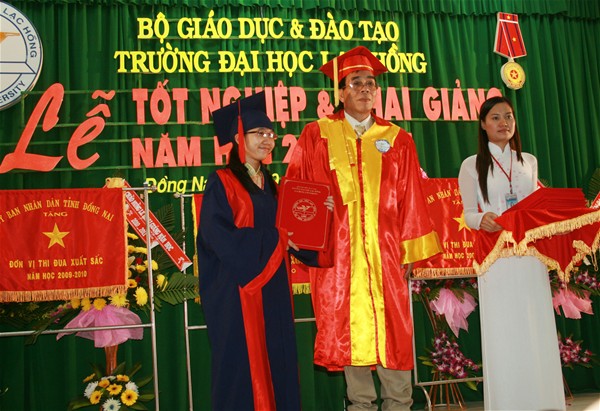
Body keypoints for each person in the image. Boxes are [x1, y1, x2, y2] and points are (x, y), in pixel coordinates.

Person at [285, 46, 442, 411]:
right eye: (356, 83)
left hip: (386, 254)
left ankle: (399, 403)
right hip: (338, 257)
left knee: (394, 329)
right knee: (346, 327)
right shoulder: (317, 134)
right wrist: (309, 240)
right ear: (340, 92)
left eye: (371, 83)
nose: (366, 89)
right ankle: (359, 405)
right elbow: (298, 190)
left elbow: (412, 198)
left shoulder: (398, 138)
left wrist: (410, 251)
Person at [197, 91, 325, 410]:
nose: (268, 140)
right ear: (238, 137)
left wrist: (322, 215)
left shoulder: (272, 184)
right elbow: (217, 236)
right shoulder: (222, 181)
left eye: (271, 134)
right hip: (238, 289)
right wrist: (275, 238)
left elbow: (294, 233)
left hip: (274, 287)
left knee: (278, 358)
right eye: (259, 133)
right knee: (241, 365)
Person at [457, 96, 565, 410]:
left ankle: (544, 401)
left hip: (530, 255)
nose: (504, 123)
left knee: (535, 324)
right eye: (495, 117)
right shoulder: (471, 165)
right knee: (502, 329)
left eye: (509, 116)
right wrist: (482, 219)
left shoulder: (528, 161)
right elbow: (467, 213)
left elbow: (538, 207)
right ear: (482, 124)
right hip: (496, 257)